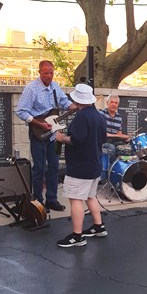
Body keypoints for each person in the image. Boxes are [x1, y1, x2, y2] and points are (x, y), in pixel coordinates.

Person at [16, 60, 77, 211]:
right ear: (39, 73)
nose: (49, 76)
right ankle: (38, 201)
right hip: (38, 131)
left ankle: (52, 199)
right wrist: (39, 124)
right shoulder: (31, 89)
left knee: (54, 166)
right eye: (46, 73)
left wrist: (75, 107)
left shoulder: (55, 86)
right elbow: (21, 111)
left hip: (53, 134)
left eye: (51, 73)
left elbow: (63, 102)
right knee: (39, 167)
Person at [55, 84, 107, 248]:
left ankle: (77, 236)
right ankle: (98, 226)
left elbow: (75, 139)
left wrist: (61, 137)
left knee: (76, 199)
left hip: (80, 166)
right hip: (95, 164)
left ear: (77, 100)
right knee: (91, 196)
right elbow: (103, 138)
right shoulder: (99, 116)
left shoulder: (81, 117)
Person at [99, 94, 131, 161]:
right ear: (107, 103)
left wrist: (126, 138)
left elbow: (119, 134)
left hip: (114, 141)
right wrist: (121, 136)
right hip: (102, 142)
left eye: (116, 103)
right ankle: (111, 168)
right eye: (112, 102)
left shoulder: (119, 117)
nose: (113, 104)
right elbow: (103, 133)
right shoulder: (101, 114)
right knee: (112, 148)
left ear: (118, 105)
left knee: (127, 148)